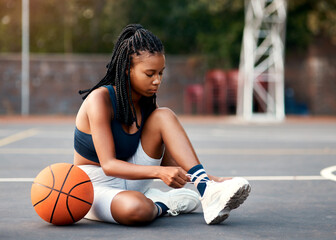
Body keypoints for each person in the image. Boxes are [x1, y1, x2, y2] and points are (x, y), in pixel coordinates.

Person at [74, 24, 251, 226]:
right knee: (137, 210)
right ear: (127, 70)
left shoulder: (147, 103)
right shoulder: (100, 99)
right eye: (150, 74)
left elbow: (167, 162)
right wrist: (158, 173)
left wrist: (212, 180)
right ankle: (165, 202)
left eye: (161, 73)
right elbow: (109, 165)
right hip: (96, 184)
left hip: (135, 177)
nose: (157, 81)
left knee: (164, 115)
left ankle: (207, 191)